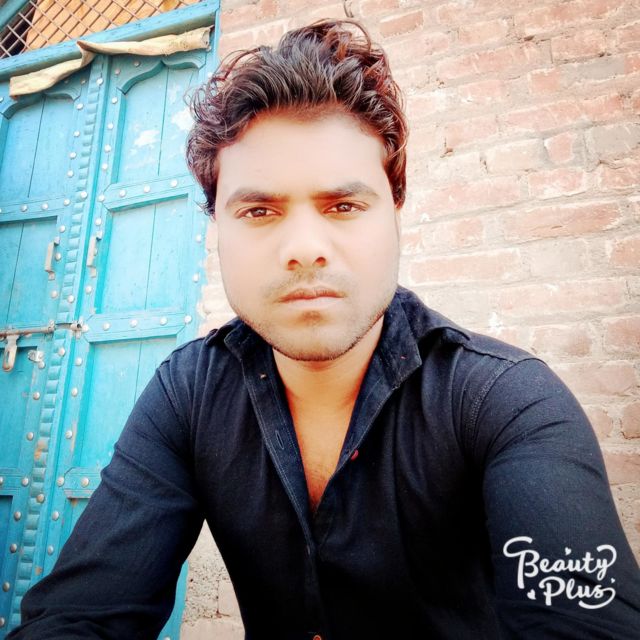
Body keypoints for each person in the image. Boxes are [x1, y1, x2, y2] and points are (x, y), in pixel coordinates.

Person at [8, 18, 640, 640]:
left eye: (343, 205)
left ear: (394, 212)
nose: (304, 248)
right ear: (217, 228)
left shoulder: (505, 401)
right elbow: (80, 618)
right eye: (260, 210)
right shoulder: (188, 394)